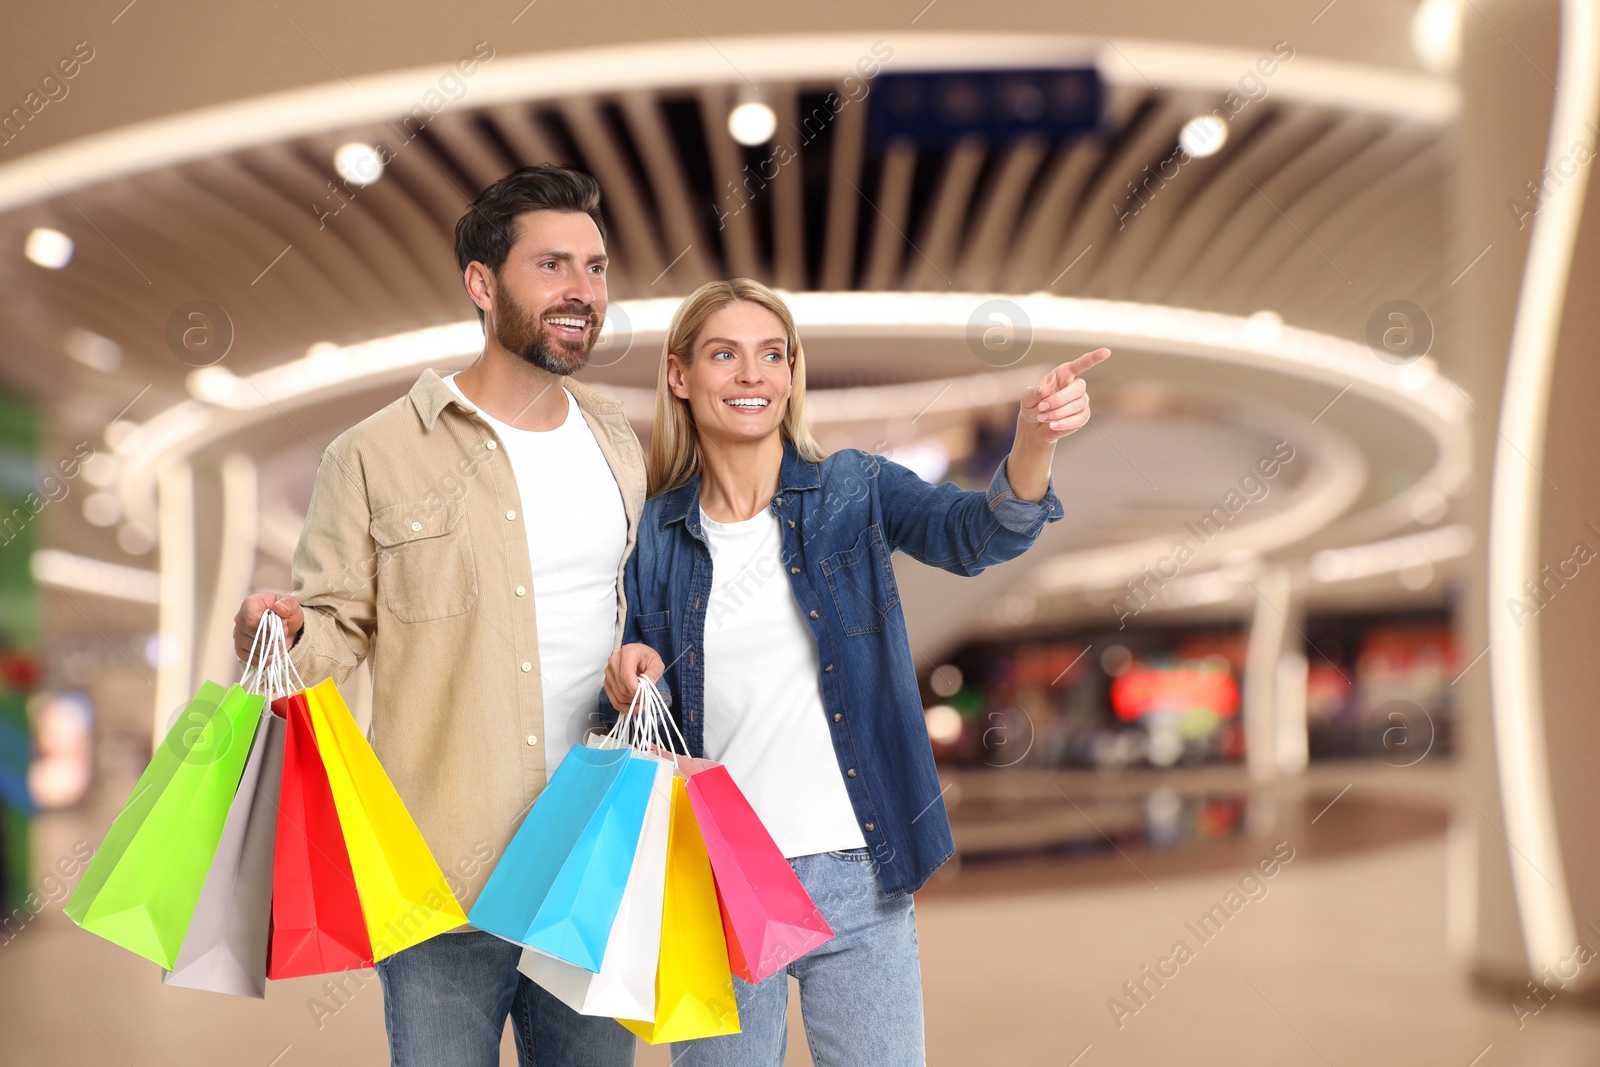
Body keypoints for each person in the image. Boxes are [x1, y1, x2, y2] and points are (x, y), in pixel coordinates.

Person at [603, 278, 1109, 1066]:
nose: (751, 375)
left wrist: (1034, 442)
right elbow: (628, 690)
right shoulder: (654, 536)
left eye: (773, 355)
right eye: (724, 354)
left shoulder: (852, 489)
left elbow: (975, 538)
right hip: (719, 882)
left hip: (859, 874)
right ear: (679, 374)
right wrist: (629, 672)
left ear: (793, 373)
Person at [233, 164, 639, 1067]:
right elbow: (335, 629)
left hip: (591, 859)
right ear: (482, 285)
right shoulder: (373, 454)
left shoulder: (618, 442)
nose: (583, 292)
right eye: (554, 266)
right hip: (441, 867)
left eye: (597, 267)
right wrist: (284, 633)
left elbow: (630, 612)